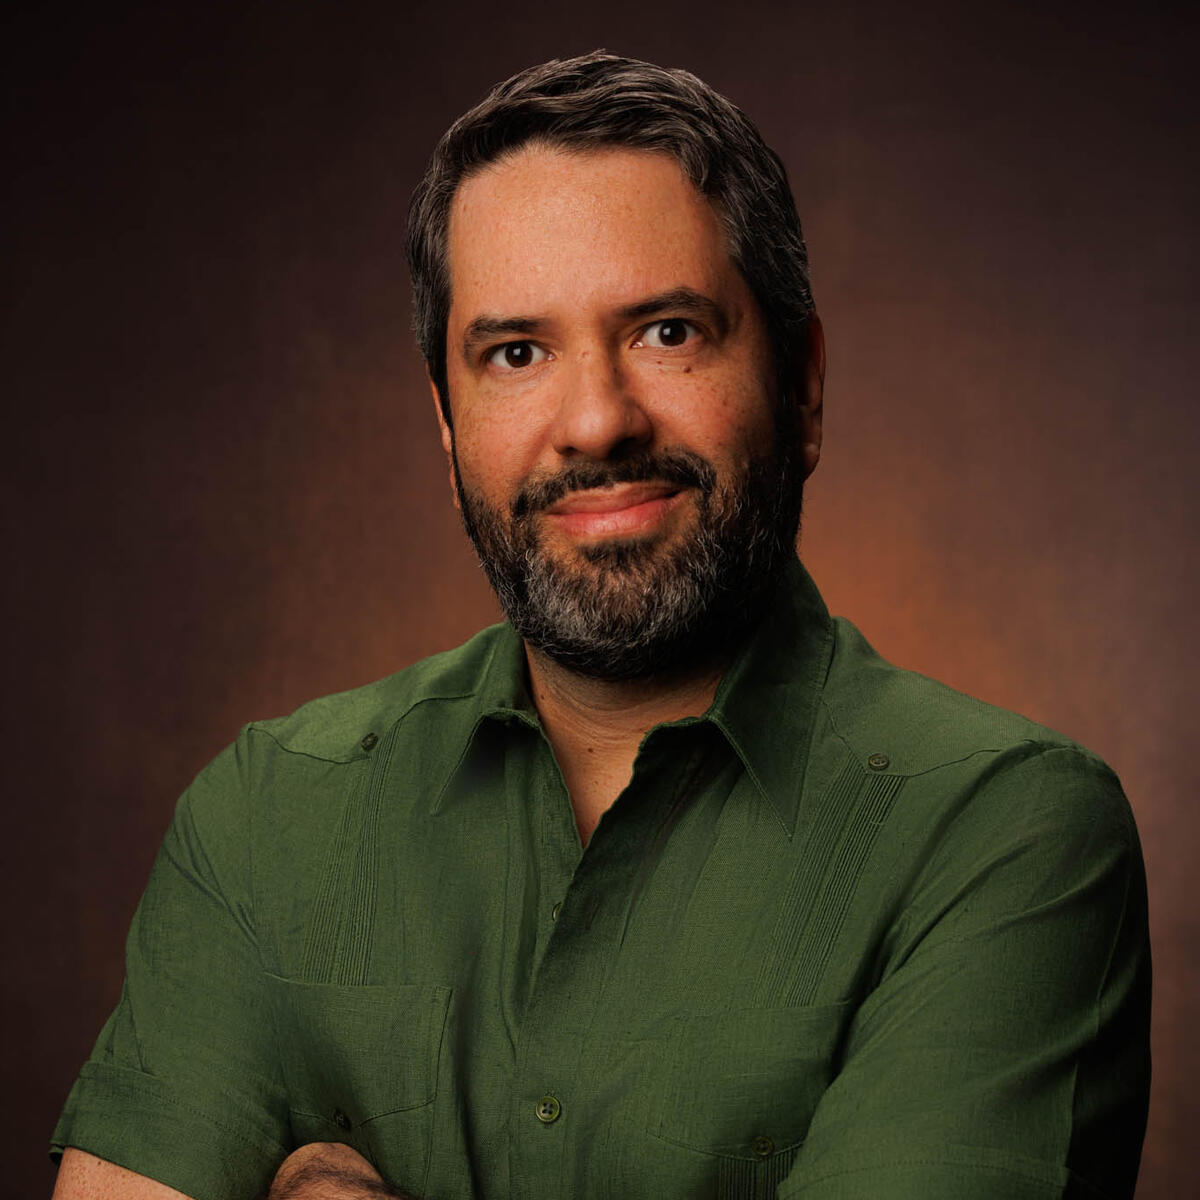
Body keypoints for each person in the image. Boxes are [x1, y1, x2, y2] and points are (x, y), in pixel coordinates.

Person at [51, 51, 1151, 1200]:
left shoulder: (1006, 834)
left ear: (803, 386)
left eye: (667, 332)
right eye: (517, 353)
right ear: (447, 427)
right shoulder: (268, 814)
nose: (596, 421)